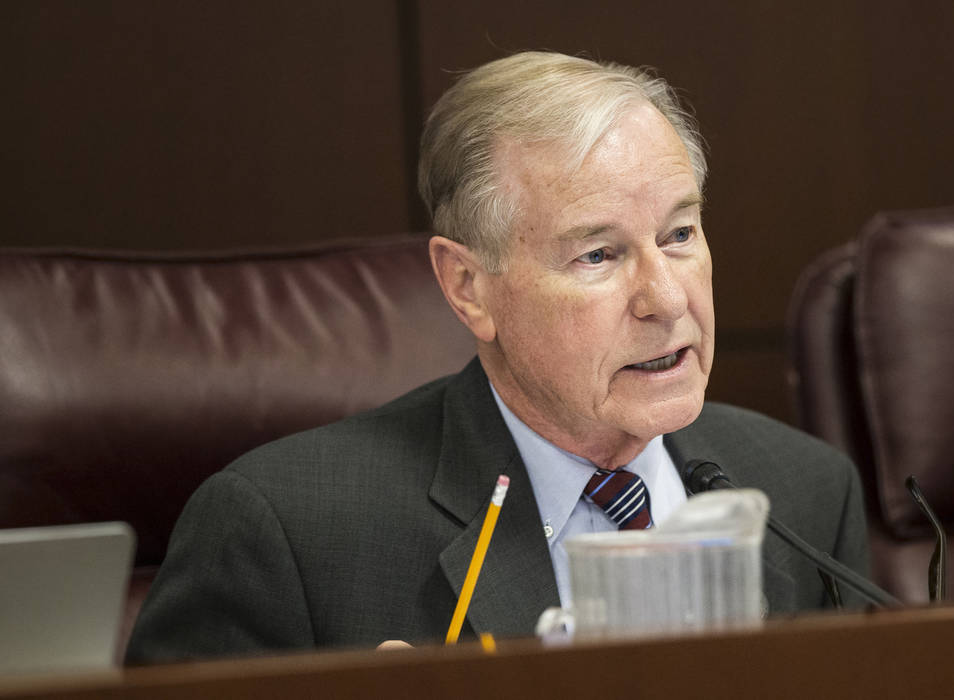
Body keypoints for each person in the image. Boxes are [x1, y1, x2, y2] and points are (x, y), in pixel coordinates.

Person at [125, 51, 868, 663]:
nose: (667, 300)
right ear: (468, 288)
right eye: (598, 254)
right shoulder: (286, 532)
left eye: (679, 235)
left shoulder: (805, 491)